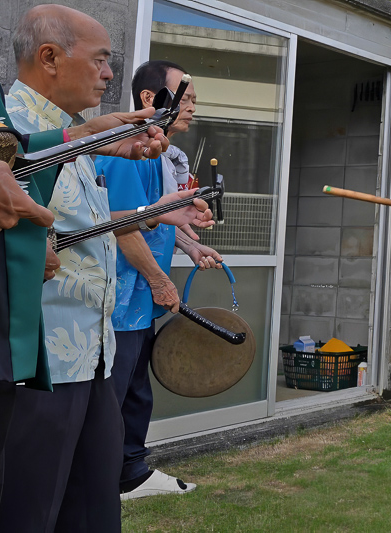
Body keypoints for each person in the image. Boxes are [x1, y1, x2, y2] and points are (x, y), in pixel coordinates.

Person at [0, 5, 214, 532]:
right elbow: (27, 232)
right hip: (38, 369)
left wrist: (162, 210)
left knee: (94, 510)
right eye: (100, 60)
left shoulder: (73, 135)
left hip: (94, 355)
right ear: (49, 58)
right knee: (30, 513)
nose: (110, 73)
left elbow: (87, 225)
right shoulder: (6, 134)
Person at [96, 59, 222, 500]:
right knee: (115, 394)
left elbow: (156, 215)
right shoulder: (125, 150)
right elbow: (121, 224)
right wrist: (159, 281)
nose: (191, 109)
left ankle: (130, 473)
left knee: (134, 391)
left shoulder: (158, 152)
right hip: (121, 297)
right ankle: (109, 477)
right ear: (150, 100)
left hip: (140, 299)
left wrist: (191, 246)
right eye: (185, 99)